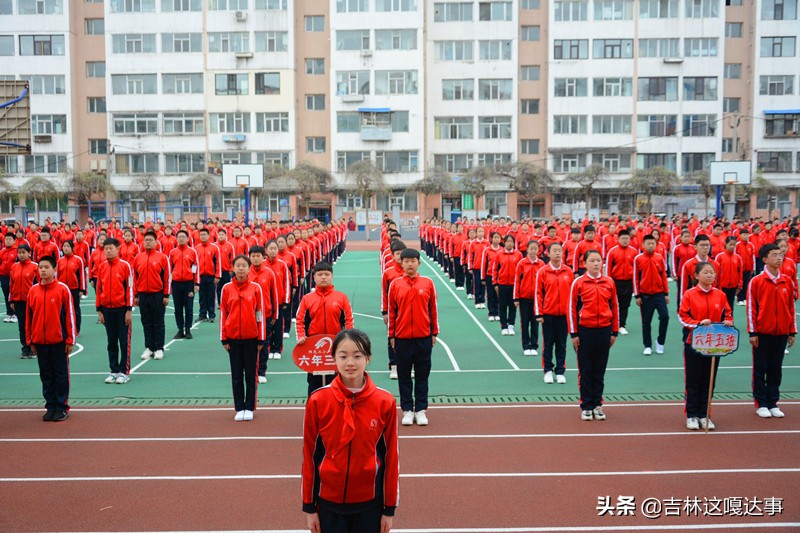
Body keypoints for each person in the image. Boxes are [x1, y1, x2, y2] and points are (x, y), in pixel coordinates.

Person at [302, 329, 399, 533]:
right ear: (333, 359)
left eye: (357, 356)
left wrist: (389, 509)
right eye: (343, 356)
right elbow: (309, 456)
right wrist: (309, 507)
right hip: (328, 504)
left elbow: (392, 458)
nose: (350, 363)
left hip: (370, 505)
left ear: (368, 359)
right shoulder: (318, 401)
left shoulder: (385, 402)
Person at [678, 262, 734, 431]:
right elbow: (682, 316)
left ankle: (704, 414)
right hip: (694, 343)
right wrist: (697, 324)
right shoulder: (689, 294)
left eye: (712, 273)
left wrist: (728, 322)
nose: (710, 275)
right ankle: (692, 415)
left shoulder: (720, 295)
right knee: (693, 380)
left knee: (709, 380)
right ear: (696, 275)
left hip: (715, 344)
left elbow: (728, 313)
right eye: (706, 272)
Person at [388, 248, 439, 426]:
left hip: (423, 337)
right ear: (401, 263)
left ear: (419, 263)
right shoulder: (395, 284)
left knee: (422, 375)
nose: (410, 264)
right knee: (404, 375)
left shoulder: (428, 283)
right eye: (406, 261)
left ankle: (421, 410)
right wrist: (391, 335)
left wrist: (434, 333)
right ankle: (408, 410)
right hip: (402, 338)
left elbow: (433, 310)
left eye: (413, 260)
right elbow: (392, 312)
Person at [747, 243, 797, 418]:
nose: (779, 258)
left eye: (780, 254)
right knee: (761, 368)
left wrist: (792, 331)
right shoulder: (757, 281)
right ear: (765, 259)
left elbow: (791, 307)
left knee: (776, 369)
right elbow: (751, 309)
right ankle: (761, 403)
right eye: (775, 255)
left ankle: (773, 402)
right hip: (762, 333)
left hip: (781, 332)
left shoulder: (787, 281)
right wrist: (753, 332)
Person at [568, 249, 619, 421]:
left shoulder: (609, 282)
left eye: (599, 260)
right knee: (585, 369)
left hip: (604, 331)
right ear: (585, 263)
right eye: (593, 261)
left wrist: (614, 331)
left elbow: (615, 307)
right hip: (585, 331)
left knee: (599, 369)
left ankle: (598, 404)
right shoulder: (578, 283)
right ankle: (586, 405)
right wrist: (574, 334)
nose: (597, 264)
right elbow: (572, 309)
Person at [25, 255, 76, 422]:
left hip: (59, 342)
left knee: (60, 375)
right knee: (45, 375)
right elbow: (28, 317)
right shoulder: (33, 291)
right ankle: (50, 405)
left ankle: (62, 406)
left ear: (55, 269)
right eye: (40, 267)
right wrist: (30, 340)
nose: (43, 270)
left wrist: (70, 340)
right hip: (40, 341)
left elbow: (69, 316)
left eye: (46, 267)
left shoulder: (62, 289)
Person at [296, 261, 355, 396]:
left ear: (332, 276)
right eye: (320, 274)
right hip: (314, 348)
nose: (323, 277)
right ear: (314, 277)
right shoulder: (307, 299)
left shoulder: (341, 297)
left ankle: (336, 409)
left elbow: (349, 319)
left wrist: (348, 339)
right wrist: (301, 336)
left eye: (327, 274)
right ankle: (313, 409)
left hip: (336, 346)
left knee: (336, 380)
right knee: (314, 382)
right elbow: (300, 321)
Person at [220, 255, 266, 421]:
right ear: (233, 268)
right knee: (236, 375)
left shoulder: (255, 288)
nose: (240, 268)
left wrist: (261, 338)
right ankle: (239, 407)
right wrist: (224, 338)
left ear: (248, 268)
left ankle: (250, 406)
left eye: (243, 266)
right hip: (233, 339)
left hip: (252, 338)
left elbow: (260, 314)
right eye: (237, 266)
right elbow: (223, 313)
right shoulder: (226, 288)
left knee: (250, 374)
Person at [95, 238, 134, 384]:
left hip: (122, 309)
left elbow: (130, 288)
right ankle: (114, 370)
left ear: (118, 249)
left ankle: (124, 371)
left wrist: (129, 309)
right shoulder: (102, 267)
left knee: (124, 341)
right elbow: (99, 289)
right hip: (107, 309)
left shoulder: (125, 266)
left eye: (111, 248)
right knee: (111, 342)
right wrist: (99, 310)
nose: (108, 251)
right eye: (106, 249)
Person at [535, 242, 574, 384]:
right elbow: (538, 293)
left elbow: (573, 295)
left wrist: (572, 314)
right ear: (548, 254)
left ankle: (560, 371)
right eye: (555, 251)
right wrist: (539, 313)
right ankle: (548, 370)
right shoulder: (543, 272)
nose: (558, 253)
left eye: (560, 251)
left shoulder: (568, 272)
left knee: (562, 343)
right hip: (548, 314)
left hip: (564, 315)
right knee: (548, 343)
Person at [132, 231, 171, 361]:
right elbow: (134, 278)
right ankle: (149, 347)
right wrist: (135, 295)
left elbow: (167, 278)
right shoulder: (138, 258)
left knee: (158, 322)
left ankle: (159, 348)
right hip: (143, 295)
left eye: (150, 240)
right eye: (146, 240)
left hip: (158, 295)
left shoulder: (162, 257)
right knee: (146, 322)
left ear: (156, 242)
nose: (148, 242)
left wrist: (166, 295)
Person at [634, 235, 670, 356]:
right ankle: (647, 345)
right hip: (645, 295)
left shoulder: (659, 257)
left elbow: (663, 276)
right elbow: (635, 277)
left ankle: (660, 342)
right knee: (646, 321)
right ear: (643, 245)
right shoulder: (638, 259)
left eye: (653, 243)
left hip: (659, 294)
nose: (651, 245)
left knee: (665, 317)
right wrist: (637, 295)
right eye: (648, 243)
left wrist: (666, 293)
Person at [248, 245, 279, 382]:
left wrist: (275, 314)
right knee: (249, 345)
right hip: (248, 316)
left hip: (265, 316)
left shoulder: (269, 273)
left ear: (263, 257)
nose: (255, 258)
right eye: (253, 256)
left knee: (264, 344)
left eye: (258, 256)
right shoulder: (245, 272)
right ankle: (250, 371)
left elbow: (274, 295)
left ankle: (261, 372)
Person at [381, 240, 406, 380]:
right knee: (392, 338)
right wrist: (384, 311)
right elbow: (384, 294)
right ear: (392, 255)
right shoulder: (388, 273)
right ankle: (394, 366)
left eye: (402, 253)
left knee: (407, 340)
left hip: (407, 311)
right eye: (397, 253)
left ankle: (405, 366)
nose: (400, 256)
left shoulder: (410, 271)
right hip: (393, 312)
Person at [514, 239, 544, 356]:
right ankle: (526, 345)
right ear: (527, 250)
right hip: (524, 297)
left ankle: (534, 345)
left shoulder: (541, 264)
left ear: (538, 250)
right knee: (525, 322)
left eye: (535, 249)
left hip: (537, 299)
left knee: (535, 323)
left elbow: (544, 283)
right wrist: (516, 298)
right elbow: (517, 281)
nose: (533, 251)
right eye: (531, 249)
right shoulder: (522, 263)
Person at [605, 230, 637, 336]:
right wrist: (608, 283)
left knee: (625, 305)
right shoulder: (612, 251)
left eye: (627, 238)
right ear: (618, 239)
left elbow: (636, 270)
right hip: (615, 282)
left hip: (628, 282)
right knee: (612, 304)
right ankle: (611, 324)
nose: (625, 240)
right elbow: (608, 269)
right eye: (622, 238)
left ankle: (622, 325)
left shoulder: (634, 252)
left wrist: (634, 285)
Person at [169, 230, 199, 340]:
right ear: (176, 239)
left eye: (183, 237)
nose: (181, 239)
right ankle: (180, 329)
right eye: (179, 237)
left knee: (189, 308)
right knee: (177, 308)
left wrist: (196, 283)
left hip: (188, 283)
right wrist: (169, 284)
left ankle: (188, 330)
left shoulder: (192, 252)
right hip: (176, 283)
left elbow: (195, 267)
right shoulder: (172, 252)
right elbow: (170, 269)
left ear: (187, 238)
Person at [10, 244, 38, 358]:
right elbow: (12, 284)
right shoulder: (14, 267)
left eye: (23, 252)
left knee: (32, 325)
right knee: (22, 326)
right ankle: (25, 348)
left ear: (29, 253)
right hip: (18, 301)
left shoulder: (35, 267)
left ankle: (33, 347)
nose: (21, 255)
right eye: (19, 252)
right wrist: (11, 300)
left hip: (31, 301)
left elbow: (39, 284)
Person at [493, 234, 522, 336]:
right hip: (502, 284)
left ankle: (511, 324)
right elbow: (495, 269)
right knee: (502, 305)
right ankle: (504, 326)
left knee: (513, 305)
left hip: (514, 285)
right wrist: (495, 283)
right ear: (504, 243)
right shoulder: (499, 254)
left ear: (514, 243)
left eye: (511, 241)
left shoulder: (518, 255)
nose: (509, 243)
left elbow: (521, 271)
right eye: (507, 241)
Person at [56, 241, 86, 336]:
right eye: (64, 246)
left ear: (72, 248)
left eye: (68, 246)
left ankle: (76, 329)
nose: (66, 248)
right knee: (62, 310)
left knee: (75, 309)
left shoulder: (78, 260)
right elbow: (57, 276)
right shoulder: (60, 261)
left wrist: (82, 289)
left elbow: (81, 275)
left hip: (74, 289)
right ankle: (64, 329)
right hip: (62, 289)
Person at [195, 227, 221, 323]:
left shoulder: (214, 248)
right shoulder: (196, 248)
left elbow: (218, 262)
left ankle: (211, 315)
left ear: (209, 236)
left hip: (211, 276)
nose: (203, 236)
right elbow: (194, 264)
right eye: (201, 235)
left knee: (211, 296)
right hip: (200, 276)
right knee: (202, 296)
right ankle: (202, 315)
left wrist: (217, 276)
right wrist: (194, 276)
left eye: (204, 234)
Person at [715, 236, 743, 313]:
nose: (732, 247)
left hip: (733, 286)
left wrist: (740, 285)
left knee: (730, 306)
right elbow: (716, 273)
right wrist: (717, 286)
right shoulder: (719, 257)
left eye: (734, 245)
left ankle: (730, 322)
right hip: (722, 286)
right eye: (730, 244)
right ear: (725, 244)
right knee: (721, 305)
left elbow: (740, 272)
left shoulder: (738, 258)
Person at [0, 232, 17, 322]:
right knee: (6, 294)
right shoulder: (2, 251)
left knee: (14, 295)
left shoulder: (17, 251)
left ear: (14, 241)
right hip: (4, 276)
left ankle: (15, 314)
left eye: (10, 239)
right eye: (6, 239)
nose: (8, 241)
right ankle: (9, 313)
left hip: (14, 276)